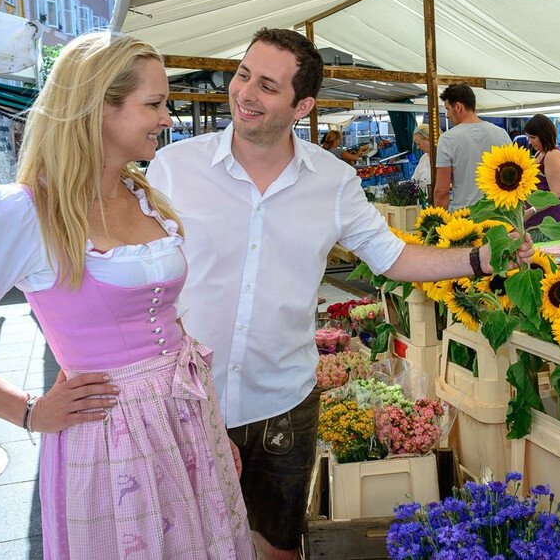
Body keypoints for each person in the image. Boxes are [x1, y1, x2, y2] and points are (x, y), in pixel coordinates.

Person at [147, 27, 532, 560]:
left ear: (302, 104)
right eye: (242, 75)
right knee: (187, 545)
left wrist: (480, 259)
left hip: (282, 403)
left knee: (278, 548)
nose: (245, 93)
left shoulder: (332, 180)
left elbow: (393, 257)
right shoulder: (174, 168)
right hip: (189, 399)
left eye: (267, 85)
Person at [0, 32, 254, 560]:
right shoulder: (23, 214)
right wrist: (29, 411)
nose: (167, 118)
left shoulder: (145, 195)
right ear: (98, 109)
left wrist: (210, 432)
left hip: (185, 418)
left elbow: (165, 319)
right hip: (112, 437)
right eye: (155, 104)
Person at [433, 83, 511, 212]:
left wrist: (438, 222)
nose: (447, 115)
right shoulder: (501, 134)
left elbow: (442, 191)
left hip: (466, 218)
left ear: (458, 107)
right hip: (498, 213)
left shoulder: (447, 139)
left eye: (447, 109)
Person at [522, 114, 560, 241]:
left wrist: (531, 211)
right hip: (539, 224)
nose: (530, 142)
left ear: (544, 134)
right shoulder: (540, 153)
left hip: (551, 224)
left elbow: (555, 193)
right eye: (528, 137)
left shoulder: (552, 155)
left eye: (533, 137)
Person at [411, 123, 432, 188]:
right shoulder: (424, 158)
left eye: (419, 144)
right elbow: (415, 179)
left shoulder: (444, 158)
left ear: (428, 140)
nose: (417, 148)